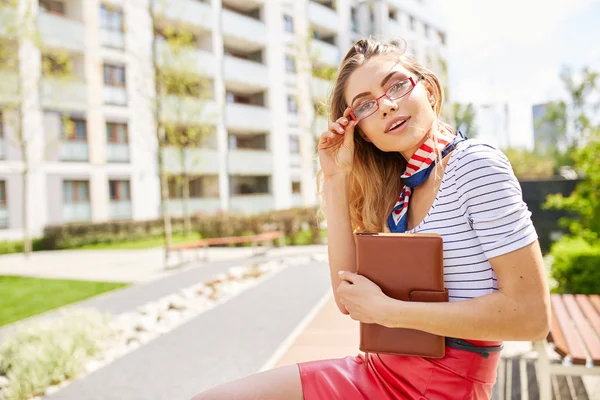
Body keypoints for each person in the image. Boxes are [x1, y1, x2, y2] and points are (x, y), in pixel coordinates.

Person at [192, 38, 551, 400]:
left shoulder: (475, 166)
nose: (387, 106)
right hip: (375, 371)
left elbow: (532, 316)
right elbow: (347, 298)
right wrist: (335, 179)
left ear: (427, 89)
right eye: (365, 105)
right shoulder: (399, 189)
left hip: (443, 389)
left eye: (397, 85)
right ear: (359, 130)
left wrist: (392, 312)